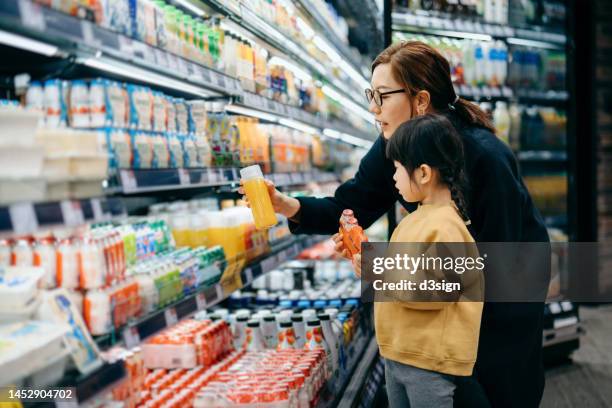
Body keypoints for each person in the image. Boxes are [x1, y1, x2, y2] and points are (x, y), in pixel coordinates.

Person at [240, 41, 548, 407]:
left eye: (383, 96)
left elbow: (493, 267)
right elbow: (349, 204)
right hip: (450, 299)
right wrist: (285, 205)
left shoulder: (484, 156)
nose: (374, 109)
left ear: (420, 101)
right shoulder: (396, 145)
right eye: (372, 95)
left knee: (498, 390)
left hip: (506, 298)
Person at [354, 113, 484, 408]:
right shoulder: (415, 220)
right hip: (401, 353)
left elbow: (435, 292)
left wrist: (382, 273)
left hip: (429, 361)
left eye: (398, 168)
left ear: (423, 173)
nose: (394, 177)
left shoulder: (447, 228)